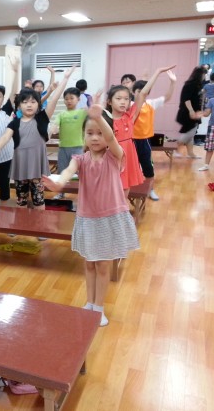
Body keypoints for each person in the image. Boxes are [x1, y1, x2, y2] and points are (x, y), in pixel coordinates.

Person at [43, 95, 139, 327]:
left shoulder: (114, 156)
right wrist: (58, 183)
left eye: (99, 133)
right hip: (87, 218)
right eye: (90, 133)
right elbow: (68, 171)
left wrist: (98, 117)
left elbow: (112, 138)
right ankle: (90, 303)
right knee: (89, 263)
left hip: (109, 217)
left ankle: (99, 308)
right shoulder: (81, 158)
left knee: (103, 265)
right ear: (83, 136)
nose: (95, 138)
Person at [0, 66, 76, 209]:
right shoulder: (15, 122)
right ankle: (21, 222)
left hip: (37, 169)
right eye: (25, 102)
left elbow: (55, 98)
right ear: (19, 105)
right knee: (21, 201)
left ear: (38, 104)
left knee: (39, 201)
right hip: (21, 168)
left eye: (33, 102)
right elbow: (5, 137)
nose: (29, 105)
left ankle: (39, 223)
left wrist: (65, 78)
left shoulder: (42, 118)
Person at [131, 69, 177, 201]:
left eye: (144, 91)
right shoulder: (129, 105)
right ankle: (129, 188)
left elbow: (167, 97)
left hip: (144, 140)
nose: (141, 93)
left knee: (148, 166)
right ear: (133, 92)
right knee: (130, 166)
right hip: (130, 141)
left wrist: (173, 83)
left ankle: (150, 189)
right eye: (138, 91)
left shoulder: (151, 104)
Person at [49, 83, 86, 199]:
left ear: (78, 99)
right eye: (66, 99)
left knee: (81, 172)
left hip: (78, 147)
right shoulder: (61, 114)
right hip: (63, 148)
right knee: (62, 171)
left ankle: (83, 193)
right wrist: (53, 129)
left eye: (71, 98)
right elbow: (54, 125)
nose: (69, 101)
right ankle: (61, 192)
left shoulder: (82, 113)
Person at [174, 66, 206, 158]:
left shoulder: (198, 85)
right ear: (199, 74)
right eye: (204, 74)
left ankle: (190, 153)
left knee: (191, 133)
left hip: (195, 112)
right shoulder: (190, 84)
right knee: (189, 132)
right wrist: (191, 111)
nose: (204, 76)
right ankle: (176, 149)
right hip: (188, 113)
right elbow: (186, 99)